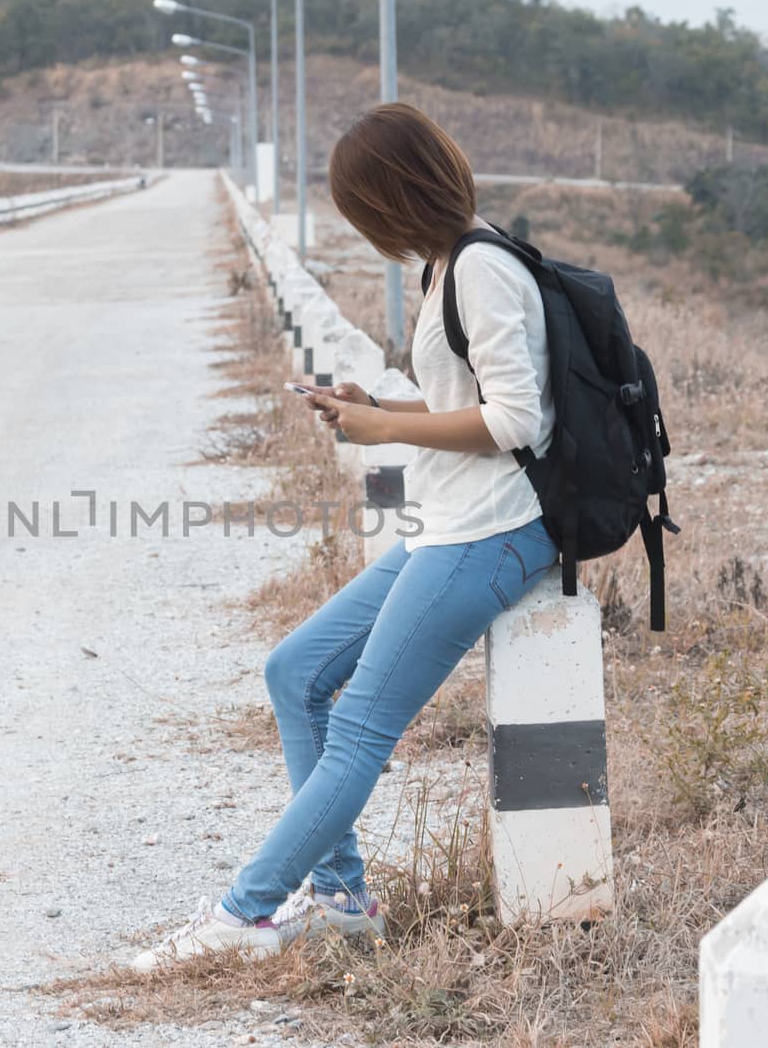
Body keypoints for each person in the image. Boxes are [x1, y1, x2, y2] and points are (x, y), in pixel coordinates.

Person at [133, 102, 559, 972]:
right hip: (453, 521)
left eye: (363, 211)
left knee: (362, 721)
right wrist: (377, 413)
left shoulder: (481, 268)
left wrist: (388, 433)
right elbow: (459, 407)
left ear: (393, 198)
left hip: (496, 530)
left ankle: (243, 914)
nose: (365, 231)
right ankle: (340, 896)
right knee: (296, 671)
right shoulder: (448, 263)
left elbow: (519, 420)